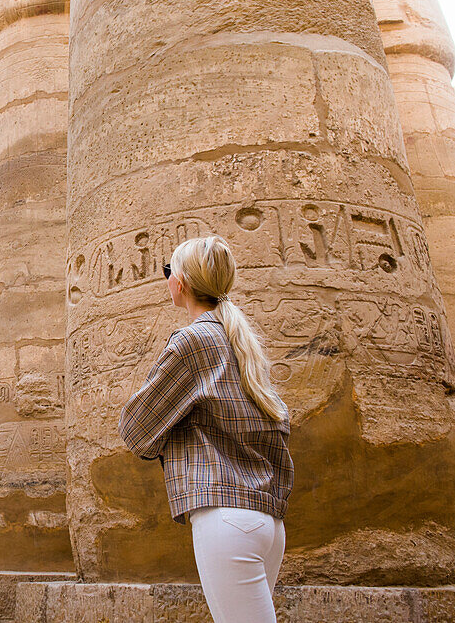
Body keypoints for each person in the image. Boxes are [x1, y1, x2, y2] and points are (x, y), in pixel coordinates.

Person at [119, 236, 293, 623]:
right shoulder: (240, 339)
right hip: (267, 522)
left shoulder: (194, 340)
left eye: (168, 270)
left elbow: (135, 429)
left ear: (179, 282)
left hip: (225, 518)